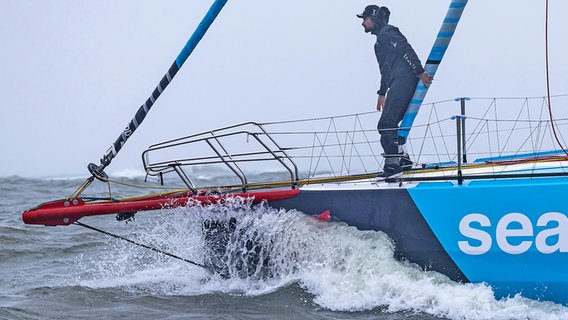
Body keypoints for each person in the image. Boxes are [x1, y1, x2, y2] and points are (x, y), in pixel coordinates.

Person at [357, 5, 433, 178]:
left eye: (365, 19)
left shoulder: (387, 33)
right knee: (390, 123)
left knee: (386, 123)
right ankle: (402, 159)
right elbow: (384, 70)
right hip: (397, 81)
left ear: (374, 18)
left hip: (405, 80)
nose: (363, 23)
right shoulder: (379, 42)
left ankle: (392, 165)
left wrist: (420, 72)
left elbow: (405, 50)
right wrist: (382, 92)